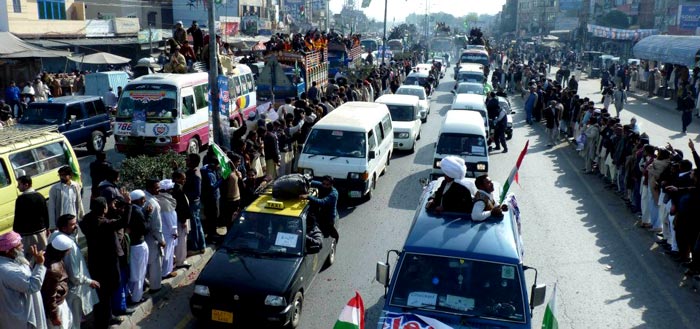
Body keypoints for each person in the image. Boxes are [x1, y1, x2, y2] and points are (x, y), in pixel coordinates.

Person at [79, 197, 126, 327]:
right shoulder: (105, 224)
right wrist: (128, 204)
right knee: (107, 293)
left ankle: (105, 317)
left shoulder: (86, 221)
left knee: (101, 293)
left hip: (95, 261)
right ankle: (104, 321)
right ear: (104, 208)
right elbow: (124, 222)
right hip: (108, 263)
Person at [48, 215, 99, 329]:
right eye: (72, 224)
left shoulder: (56, 237)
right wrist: (89, 281)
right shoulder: (68, 247)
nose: (76, 226)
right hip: (74, 291)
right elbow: (75, 275)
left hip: (67, 291)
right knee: (74, 322)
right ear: (64, 228)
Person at [0, 231, 47, 329]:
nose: (22, 246)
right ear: (7, 251)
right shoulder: (7, 270)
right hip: (19, 320)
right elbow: (32, 286)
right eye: (18, 245)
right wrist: (40, 264)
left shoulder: (12, 259)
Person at [41, 234, 73, 329]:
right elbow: (50, 295)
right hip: (57, 306)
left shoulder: (47, 255)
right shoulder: (54, 270)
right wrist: (54, 316)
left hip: (57, 303)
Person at [14, 175, 50, 259]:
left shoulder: (21, 199)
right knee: (43, 254)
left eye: (19, 184)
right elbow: (46, 214)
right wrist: (47, 228)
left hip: (27, 234)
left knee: (29, 257)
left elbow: (18, 218)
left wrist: (16, 232)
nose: (18, 187)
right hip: (41, 232)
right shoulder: (40, 196)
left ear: (26, 185)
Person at [127, 190, 149, 305]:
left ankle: (130, 294)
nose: (145, 201)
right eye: (143, 199)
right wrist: (148, 216)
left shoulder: (129, 209)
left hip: (132, 245)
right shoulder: (138, 211)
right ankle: (137, 297)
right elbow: (145, 229)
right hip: (139, 246)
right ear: (139, 200)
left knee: (133, 273)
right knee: (140, 274)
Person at [300, 176, 339, 242]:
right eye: (323, 184)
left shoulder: (333, 194)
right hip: (321, 214)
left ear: (331, 185)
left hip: (328, 218)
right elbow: (312, 182)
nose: (325, 186)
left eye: (327, 185)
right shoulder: (322, 186)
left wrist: (308, 197)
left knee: (326, 236)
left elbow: (322, 202)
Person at [144, 179, 165, 293]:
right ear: (150, 188)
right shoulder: (153, 204)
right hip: (153, 239)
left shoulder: (143, 197)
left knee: (147, 263)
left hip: (144, 238)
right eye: (157, 187)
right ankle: (155, 287)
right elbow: (156, 226)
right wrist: (161, 240)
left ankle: (146, 282)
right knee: (155, 263)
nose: (159, 189)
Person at [48, 166, 84, 232]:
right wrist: (52, 225)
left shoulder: (75, 186)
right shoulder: (55, 189)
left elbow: (79, 203)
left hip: (73, 219)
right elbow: (51, 208)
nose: (61, 177)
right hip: (62, 221)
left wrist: (82, 217)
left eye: (64, 175)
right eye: (60, 175)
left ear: (70, 176)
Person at [155, 179, 178, 280]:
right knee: (168, 253)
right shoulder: (166, 202)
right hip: (168, 232)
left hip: (162, 231)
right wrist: (174, 232)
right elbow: (171, 220)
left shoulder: (158, 199)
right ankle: (166, 272)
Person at [184, 154, 205, 254]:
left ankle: (196, 247)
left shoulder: (196, 175)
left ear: (193, 162)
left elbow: (197, 193)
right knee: (197, 224)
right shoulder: (191, 172)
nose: (185, 161)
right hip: (192, 203)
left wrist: (185, 195)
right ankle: (201, 245)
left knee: (195, 225)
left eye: (187, 160)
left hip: (193, 203)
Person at [171, 172, 191, 270]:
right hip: (180, 220)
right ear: (177, 179)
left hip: (178, 219)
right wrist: (183, 220)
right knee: (182, 241)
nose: (184, 181)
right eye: (182, 179)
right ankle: (180, 261)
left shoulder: (176, 188)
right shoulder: (178, 190)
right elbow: (181, 207)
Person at [200, 156, 223, 240]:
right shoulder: (209, 174)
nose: (219, 166)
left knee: (210, 216)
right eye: (218, 165)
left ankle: (211, 232)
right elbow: (213, 187)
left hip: (209, 198)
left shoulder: (205, 169)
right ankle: (212, 234)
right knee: (213, 216)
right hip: (212, 198)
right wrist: (221, 179)